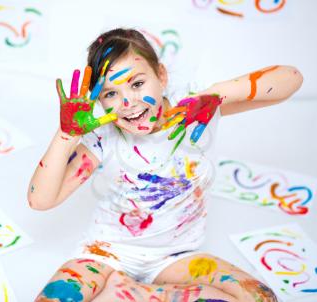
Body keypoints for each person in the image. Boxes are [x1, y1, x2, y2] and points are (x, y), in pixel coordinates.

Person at [28, 28, 303, 301]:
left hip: (176, 258)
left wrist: (216, 95)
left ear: (161, 75)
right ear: (99, 101)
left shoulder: (197, 111)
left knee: (261, 298)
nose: (128, 103)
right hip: (106, 254)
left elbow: (290, 82)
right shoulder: (103, 138)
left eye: (137, 84)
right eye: (110, 94)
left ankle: (137, 293)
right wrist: (67, 135)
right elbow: (40, 200)